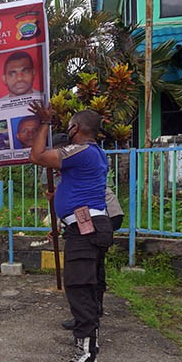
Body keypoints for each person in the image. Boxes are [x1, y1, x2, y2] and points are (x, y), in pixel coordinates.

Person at [29, 106, 113, 362]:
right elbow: (81, 186)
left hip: (86, 230)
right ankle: (89, 346)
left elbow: (38, 156)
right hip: (91, 227)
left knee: (79, 289)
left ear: (76, 128)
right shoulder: (97, 153)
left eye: (69, 126)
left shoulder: (82, 150)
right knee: (85, 289)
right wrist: (62, 196)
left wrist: (44, 122)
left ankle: (87, 355)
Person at [46, 133, 125, 331]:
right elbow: (69, 201)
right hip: (91, 218)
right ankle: (89, 312)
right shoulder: (69, 167)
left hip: (104, 215)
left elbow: (80, 200)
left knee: (91, 269)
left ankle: (92, 312)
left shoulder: (75, 160)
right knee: (89, 269)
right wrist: (57, 225)